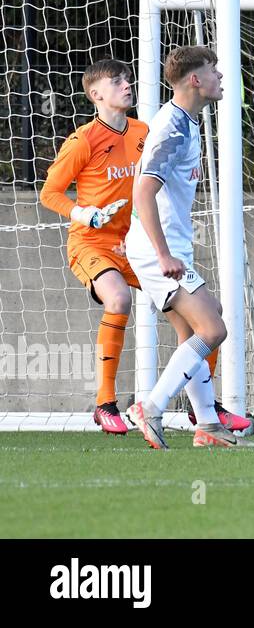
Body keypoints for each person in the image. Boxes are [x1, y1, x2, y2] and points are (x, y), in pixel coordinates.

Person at [124, 46, 250, 447]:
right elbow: (143, 194)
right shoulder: (173, 128)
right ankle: (152, 406)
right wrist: (163, 254)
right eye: (213, 69)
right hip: (153, 246)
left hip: (168, 244)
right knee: (213, 328)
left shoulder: (187, 121)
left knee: (194, 330)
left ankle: (209, 425)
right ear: (195, 80)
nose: (221, 77)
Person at [39, 59, 148, 434]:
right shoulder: (82, 140)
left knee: (195, 306)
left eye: (127, 79)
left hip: (136, 244)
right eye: (117, 81)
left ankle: (205, 406)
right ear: (96, 94)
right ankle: (105, 403)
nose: (127, 85)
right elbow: (49, 193)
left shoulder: (143, 132)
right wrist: (85, 213)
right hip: (92, 243)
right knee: (118, 300)